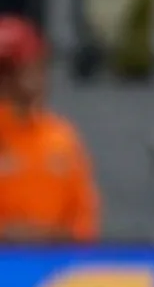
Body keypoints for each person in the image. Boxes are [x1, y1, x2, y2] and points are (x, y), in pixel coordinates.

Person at [0, 15, 98, 243]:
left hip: (58, 261)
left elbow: (84, 219)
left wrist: (49, 239)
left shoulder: (61, 138)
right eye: (7, 69)